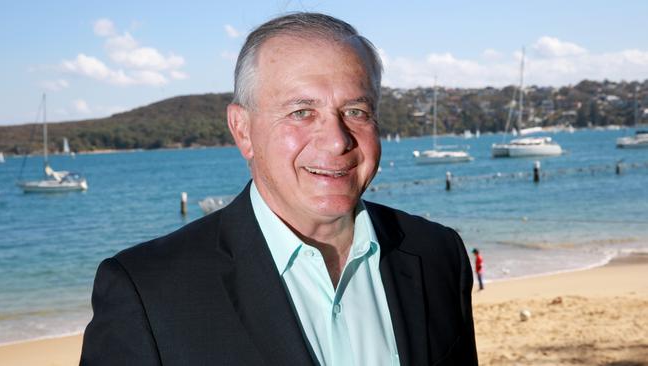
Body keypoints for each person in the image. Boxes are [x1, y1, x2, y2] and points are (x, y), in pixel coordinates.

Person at [80, 12, 477, 365]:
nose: (336, 140)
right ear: (242, 130)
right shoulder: (147, 293)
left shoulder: (438, 253)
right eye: (301, 112)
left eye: (355, 112)